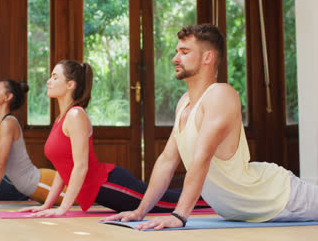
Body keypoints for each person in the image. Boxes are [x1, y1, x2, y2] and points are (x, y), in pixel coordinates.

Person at [102, 24, 318, 230]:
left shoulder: (220, 95)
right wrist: (140, 211)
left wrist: (179, 215)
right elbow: (167, 161)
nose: (175, 58)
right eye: (177, 51)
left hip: (276, 197)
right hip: (243, 212)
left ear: (207, 57)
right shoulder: (184, 103)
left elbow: (201, 159)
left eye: (184, 52)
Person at [19, 60, 209, 217]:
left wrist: (63, 208)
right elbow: (63, 167)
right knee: (168, 199)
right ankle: (207, 189)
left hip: (110, 184)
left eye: (54, 77)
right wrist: (47, 206)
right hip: (104, 189)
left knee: (167, 202)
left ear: (70, 85)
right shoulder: (61, 118)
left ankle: (213, 194)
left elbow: (81, 166)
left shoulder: (75, 116)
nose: (48, 81)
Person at [0, 79, 69, 208]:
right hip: (35, 187)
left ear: (8, 97)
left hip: (40, 183)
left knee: (90, 196)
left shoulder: (8, 123)